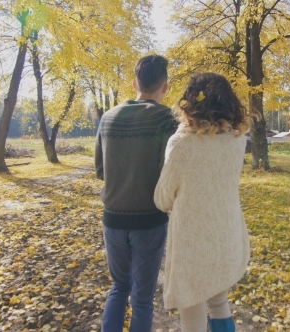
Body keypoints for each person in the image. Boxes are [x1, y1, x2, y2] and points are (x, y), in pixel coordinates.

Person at [154, 72, 251, 332]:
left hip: (193, 242)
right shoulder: (237, 140)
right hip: (226, 233)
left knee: (192, 315)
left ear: (190, 104)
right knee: (219, 303)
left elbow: (162, 198)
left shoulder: (182, 143)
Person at [94, 54, 177, 332]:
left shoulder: (107, 118)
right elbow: (172, 172)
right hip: (149, 221)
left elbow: (100, 170)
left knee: (118, 286)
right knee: (142, 298)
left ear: (134, 83)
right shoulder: (167, 120)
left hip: (113, 219)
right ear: (164, 86)